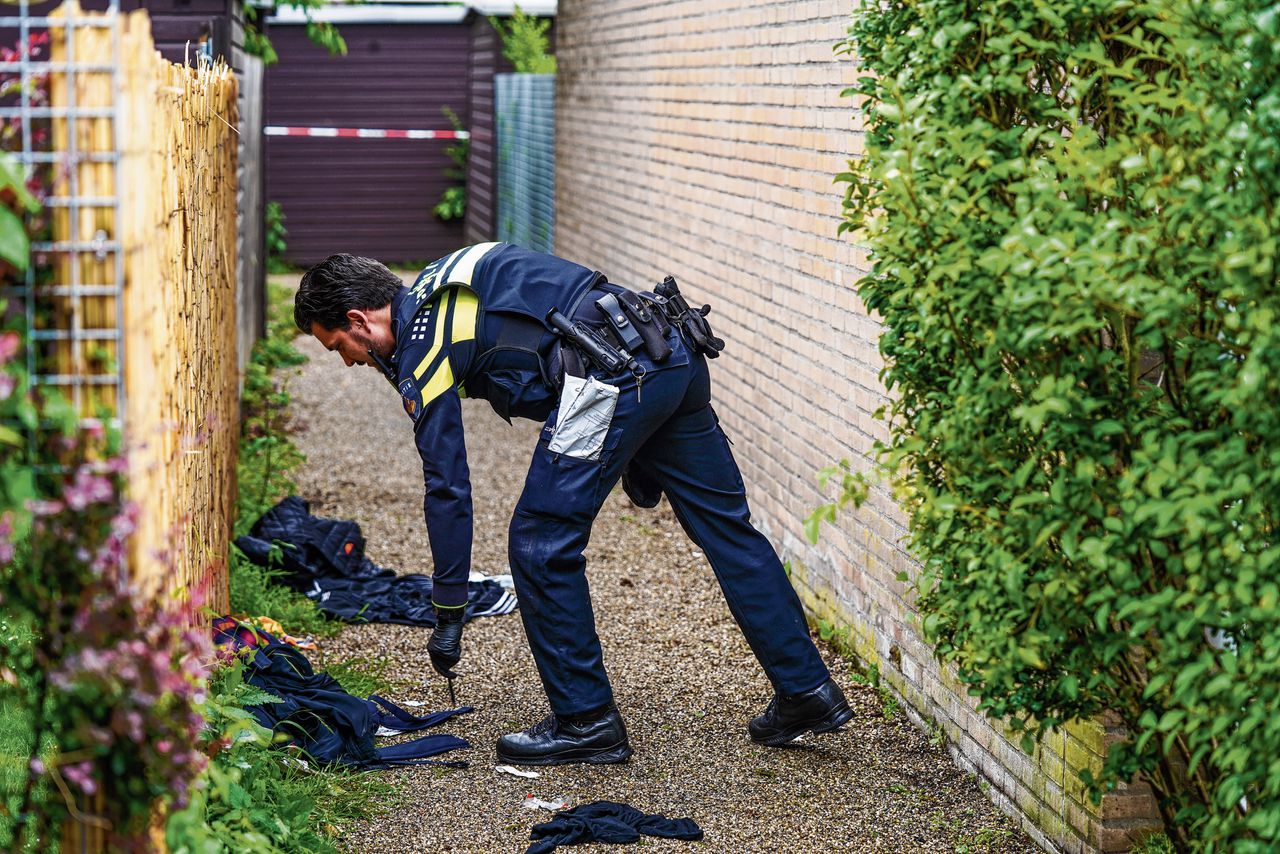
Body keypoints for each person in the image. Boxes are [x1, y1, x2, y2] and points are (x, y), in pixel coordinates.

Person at [293, 242, 851, 765]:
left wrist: (448, 608)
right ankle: (807, 690)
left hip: (607, 377)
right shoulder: (450, 270)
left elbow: (447, 486)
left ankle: (585, 721)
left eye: (337, 346)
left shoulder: (423, 342)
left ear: (359, 320)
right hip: (667, 347)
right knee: (730, 530)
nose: (347, 362)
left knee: (539, 542)